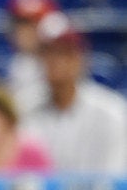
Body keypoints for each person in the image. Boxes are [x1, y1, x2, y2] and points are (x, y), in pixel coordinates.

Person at [20, 11, 127, 173]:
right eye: (47, 53)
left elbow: (116, 178)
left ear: (80, 58)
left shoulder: (111, 112)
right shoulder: (23, 108)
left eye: (64, 53)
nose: (55, 61)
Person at [5, 0, 59, 114]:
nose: (24, 32)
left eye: (31, 25)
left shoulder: (61, 64)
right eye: (20, 24)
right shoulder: (17, 63)